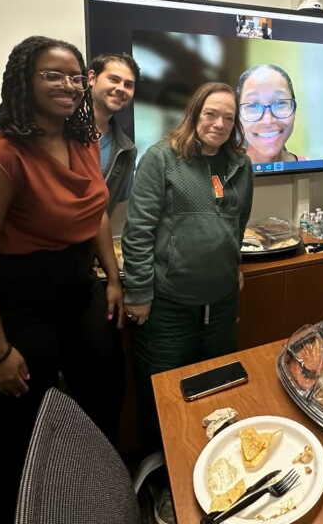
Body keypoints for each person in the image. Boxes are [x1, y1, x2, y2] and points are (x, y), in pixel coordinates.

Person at [0, 52, 138, 523]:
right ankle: (12, 508)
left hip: (79, 285)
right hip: (20, 297)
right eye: (52, 75)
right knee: (24, 425)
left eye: (73, 76)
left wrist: (113, 278)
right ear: (23, 81)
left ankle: (93, 499)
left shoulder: (84, 140)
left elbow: (95, 215)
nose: (67, 85)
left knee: (104, 395)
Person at [121, 82, 253, 447]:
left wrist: (233, 264)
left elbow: (238, 224)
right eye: (211, 114)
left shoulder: (241, 164)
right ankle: (166, 480)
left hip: (221, 304)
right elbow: (138, 231)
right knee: (167, 397)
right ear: (194, 114)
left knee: (218, 389)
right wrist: (138, 292)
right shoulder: (162, 158)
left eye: (229, 117)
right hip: (168, 306)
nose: (219, 123)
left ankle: (214, 463)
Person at [237, 64, 304, 165]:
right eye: (253, 105)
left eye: (280, 103)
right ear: (238, 116)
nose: (268, 120)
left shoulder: (314, 172)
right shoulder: (222, 174)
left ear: (294, 110)